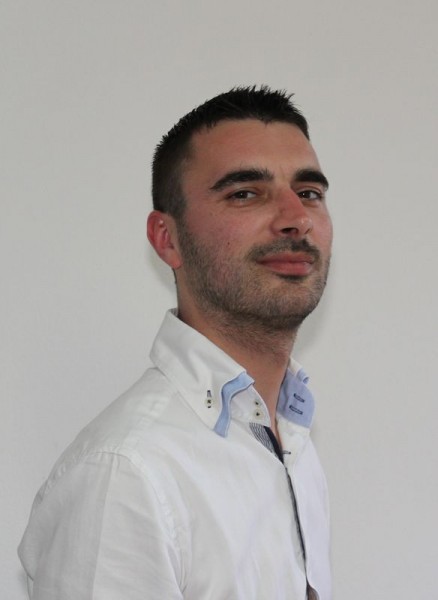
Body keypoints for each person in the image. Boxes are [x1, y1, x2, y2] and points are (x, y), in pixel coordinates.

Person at [19, 86, 333, 600]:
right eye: (244, 193)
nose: (295, 217)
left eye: (310, 192)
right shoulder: (125, 474)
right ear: (167, 238)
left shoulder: (290, 436)